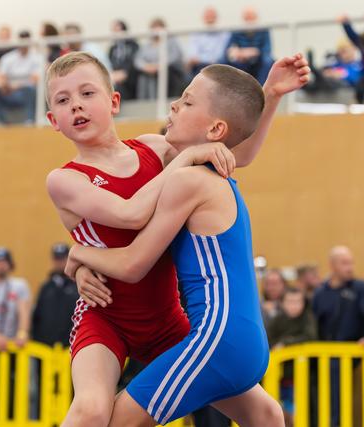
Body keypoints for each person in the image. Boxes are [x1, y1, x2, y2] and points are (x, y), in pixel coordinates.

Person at [44, 50, 309, 426]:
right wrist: (80, 252)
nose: (77, 106)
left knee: (266, 413)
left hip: (165, 317)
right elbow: (129, 213)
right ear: (54, 121)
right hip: (106, 314)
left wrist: (269, 96)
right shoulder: (65, 178)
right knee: (92, 409)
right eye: (63, 101)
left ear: (114, 101)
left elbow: (233, 150)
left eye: (87, 94)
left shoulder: (156, 148)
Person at [312, 246, 364, 427]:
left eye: (351, 263)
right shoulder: (320, 293)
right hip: (322, 356)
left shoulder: (361, 288)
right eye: (344, 263)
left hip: (348, 354)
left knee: (337, 395)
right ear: (332, 266)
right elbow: (313, 324)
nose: (350, 267)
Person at [266, 287, 317, 425]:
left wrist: (286, 343)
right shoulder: (277, 320)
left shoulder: (308, 318)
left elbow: (310, 337)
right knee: (279, 413)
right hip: (278, 378)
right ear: (282, 303)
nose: (294, 305)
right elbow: (267, 340)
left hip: (303, 378)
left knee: (300, 414)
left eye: (297, 301)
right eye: (290, 301)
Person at [0, 30, 42, 125]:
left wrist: (16, 86)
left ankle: (30, 120)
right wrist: (4, 86)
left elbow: (35, 79)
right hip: (8, 92)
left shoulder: (37, 57)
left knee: (30, 89)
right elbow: (2, 77)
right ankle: (3, 123)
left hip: (26, 93)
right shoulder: (7, 58)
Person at [31, 243, 79, 347]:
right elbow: (37, 316)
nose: (60, 262)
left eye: (63, 258)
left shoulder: (78, 286)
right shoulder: (46, 287)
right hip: (46, 348)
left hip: (70, 346)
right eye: (57, 259)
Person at [134, 18, 187, 99]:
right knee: (142, 76)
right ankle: (145, 101)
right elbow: (138, 59)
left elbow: (175, 56)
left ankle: (162, 100)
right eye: (153, 28)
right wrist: (145, 67)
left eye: (158, 27)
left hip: (169, 70)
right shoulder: (147, 44)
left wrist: (159, 65)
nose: (156, 30)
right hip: (149, 70)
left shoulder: (172, 41)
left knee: (163, 73)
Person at [225, 6, 274, 84]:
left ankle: (262, 90)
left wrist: (254, 52)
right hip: (241, 60)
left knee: (268, 61)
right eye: (247, 17)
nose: (249, 20)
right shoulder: (236, 31)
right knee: (225, 62)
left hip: (259, 60)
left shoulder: (263, 30)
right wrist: (240, 54)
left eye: (251, 17)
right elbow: (229, 49)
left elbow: (267, 50)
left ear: (256, 18)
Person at [187, 7, 231, 76]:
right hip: (199, 67)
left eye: (212, 16)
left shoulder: (224, 34)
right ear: (203, 17)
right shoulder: (196, 34)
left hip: (218, 66)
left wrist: (201, 59)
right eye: (208, 16)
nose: (210, 18)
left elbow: (220, 55)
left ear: (216, 17)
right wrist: (205, 60)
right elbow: (192, 56)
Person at [108, 20, 139, 100]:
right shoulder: (113, 49)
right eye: (113, 31)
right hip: (115, 78)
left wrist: (124, 72)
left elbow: (134, 61)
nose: (115, 33)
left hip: (129, 80)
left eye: (117, 30)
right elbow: (110, 63)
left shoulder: (133, 46)